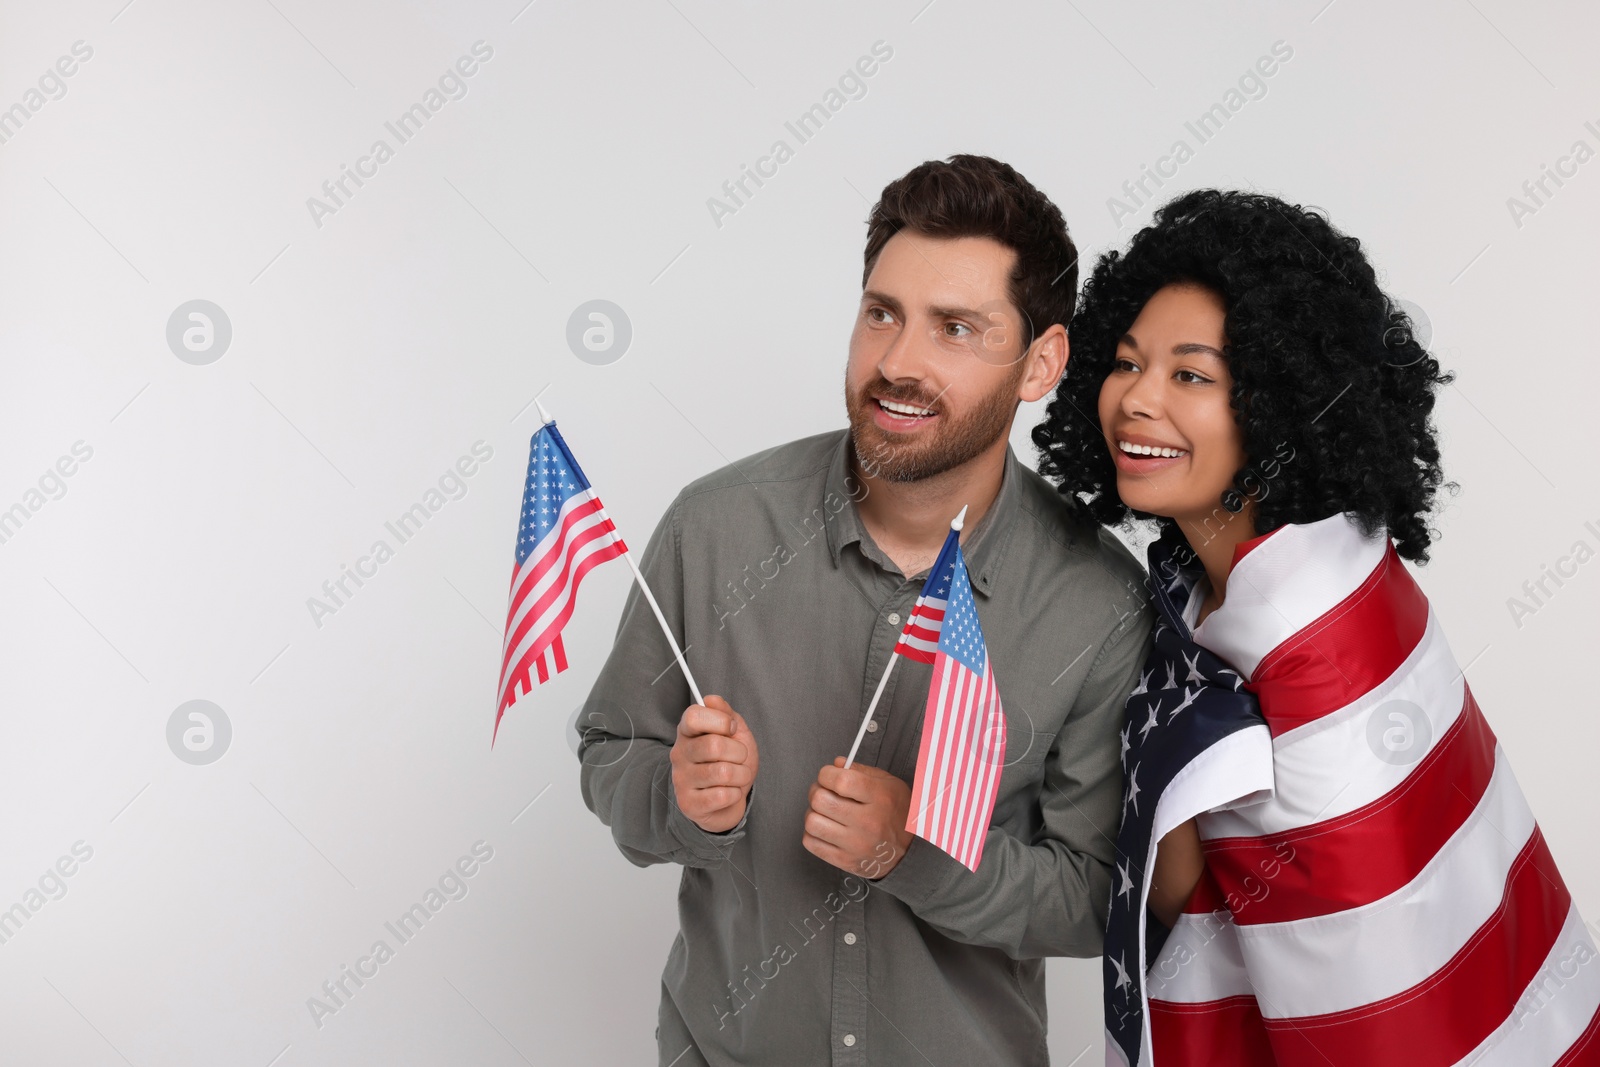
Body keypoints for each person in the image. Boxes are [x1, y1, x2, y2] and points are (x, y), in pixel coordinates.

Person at [577, 154, 1155, 1066]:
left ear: (1041, 361)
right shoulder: (714, 527)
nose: (896, 362)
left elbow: (1093, 896)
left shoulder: (1100, 603)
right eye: (881, 312)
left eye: (955, 328)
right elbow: (611, 750)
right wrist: (679, 798)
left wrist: (913, 853)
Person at [1033, 188, 1600, 1065]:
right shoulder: (1214, 588)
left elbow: (1376, 1003)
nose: (1137, 401)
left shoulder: (1327, 657)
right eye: (1125, 362)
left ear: (1275, 407)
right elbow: (1194, 882)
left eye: (1190, 375)